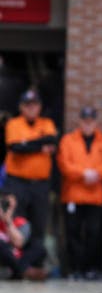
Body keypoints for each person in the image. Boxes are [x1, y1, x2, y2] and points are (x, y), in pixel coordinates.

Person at [56, 106, 102, 279]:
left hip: (95, 195)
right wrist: (83, 173)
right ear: (79, 122)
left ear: (96, 123)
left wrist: (97, 173)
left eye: (91, 121)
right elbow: (64, 164)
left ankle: (90, 268)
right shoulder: (68, 140)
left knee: (94, 233)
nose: (88, 125)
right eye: (85, 121)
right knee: (73, 232)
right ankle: (74, 268)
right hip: (73, 194)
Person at [4, 89, 57, 247]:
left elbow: (51, 139)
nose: (31, 108)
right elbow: (16, 148)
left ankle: (35, 264)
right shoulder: (14, 124)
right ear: (21, 107)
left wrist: (27, 144)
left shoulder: (46, 123)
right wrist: (40, 147)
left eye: (34, 105)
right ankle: (16, 261)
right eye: (28, 105)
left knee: (39, 223)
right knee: (17, 221)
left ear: (39, 107)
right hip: (17, 182)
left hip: (40, 184)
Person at [0, 189, 47, 281]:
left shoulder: (20, 221)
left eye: (8, 203)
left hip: (17, 254)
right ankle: (25, 271)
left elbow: (19, 243)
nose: (6, 206)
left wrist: (8, 221)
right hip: (4, 254)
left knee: (39, 247)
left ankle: (19, 271)